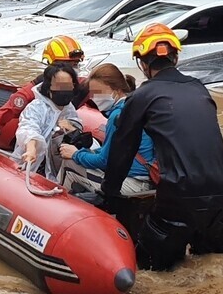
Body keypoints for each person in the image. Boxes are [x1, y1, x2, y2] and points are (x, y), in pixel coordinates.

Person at [101, 23, 223, 272]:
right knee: (214, 268)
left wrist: (109, 193)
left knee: (154, 269)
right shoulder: (198, 87)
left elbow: (123, 150)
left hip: (179, 193)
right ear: (175, 57)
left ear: (143, 64)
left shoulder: (143, 96)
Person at [0, 35, 89, 149]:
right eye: (69, 64)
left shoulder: (82, 86)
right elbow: (9, 110)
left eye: (76, 63)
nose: (73, 68)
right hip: (35, 142)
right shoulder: (35, 90)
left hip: (63, 141)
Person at [57, 63, 155, 195]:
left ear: (115, 90)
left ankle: (57, 208)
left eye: (98, 93)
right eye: (92, 94)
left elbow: (104, 161)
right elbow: (110, 152)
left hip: (133, 184)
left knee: (69, 164)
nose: (93, 98)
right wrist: (87, 152)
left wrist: (75, 154)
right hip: (147, 179)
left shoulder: (117, 116)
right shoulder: (134, 107)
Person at [13, 63, 82, 179]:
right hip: (35, 163)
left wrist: (72, 128)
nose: (64, 90)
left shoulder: (69, 109)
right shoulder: (36, 107)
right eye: (60, 86)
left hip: (57, 165)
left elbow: (77, 128)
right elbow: (28, 128)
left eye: (68, 86)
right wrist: (31, 149)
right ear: (49, 87)